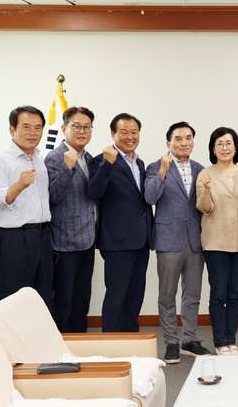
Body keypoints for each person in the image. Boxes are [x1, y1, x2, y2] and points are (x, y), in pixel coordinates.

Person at [145, 122, 210, 363]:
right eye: (178, 138)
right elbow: (149, 197)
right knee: (167, 295)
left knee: (192, 294)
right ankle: (171, 342)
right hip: (168, 238)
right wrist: (162, 172)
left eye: (188, 138)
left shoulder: (201, 169)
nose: (184, 142)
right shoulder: (155, 167)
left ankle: (189, 340)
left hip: (195, 239)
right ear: (168, 143)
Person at [88, 113, 153, 332]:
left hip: (141, 239)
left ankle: (131, 340)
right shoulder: (101, 160)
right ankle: (112, 343)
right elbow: (94, 192)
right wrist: (107, 165)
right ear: (113, 134)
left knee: (135, 295)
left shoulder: (139, 162)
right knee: (116, 296)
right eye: (124, 132)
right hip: (117, 241)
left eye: (134, 132)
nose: (130, 137)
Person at [0, 105, 53, 308]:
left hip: (43, 237)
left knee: (43, 299)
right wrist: (19, 185)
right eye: (26, 127)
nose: (33, 133)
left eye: (38, 128)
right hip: (14, 239)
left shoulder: (39, 159)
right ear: (12, 129)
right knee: (13, 301)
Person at [196, 127, 238, 356]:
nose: (224, 148)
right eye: (219, 144)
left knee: (235, 294)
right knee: (218, 294)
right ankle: (220, 342)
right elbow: (206, 209)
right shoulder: (205, 174)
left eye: (229, 143)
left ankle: (232, 340)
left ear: (236, 147)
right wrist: (206, 189)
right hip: (216, 243)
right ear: (213, 149)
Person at [45, 106, 97, 332]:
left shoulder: (89, 157)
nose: (82, 131)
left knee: (82, 299)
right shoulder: (54, 157)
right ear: (64, 128)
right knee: (63, 300)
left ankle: (79, 343)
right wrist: (67, 167)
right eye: (76, 126)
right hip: (64, 241)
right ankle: (61, 345)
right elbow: (53, 196)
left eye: (87, 127)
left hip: (88, 239)